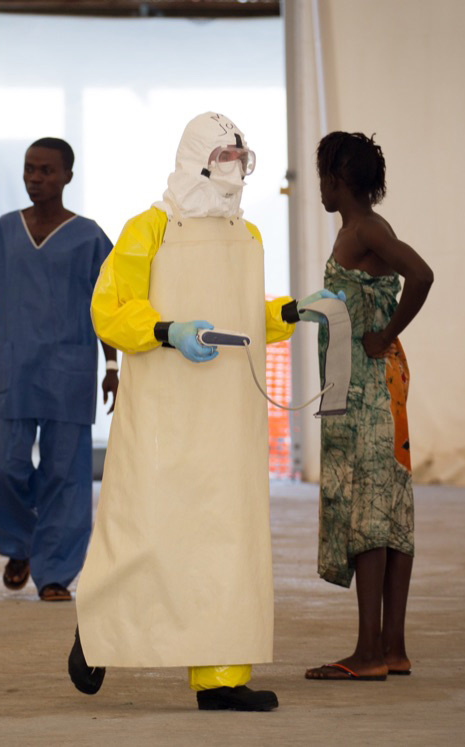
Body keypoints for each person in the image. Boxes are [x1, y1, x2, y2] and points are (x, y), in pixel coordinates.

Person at [69, 112, 331, 712]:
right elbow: (109, 311)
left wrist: (292, 312)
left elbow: (243, 314)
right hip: (162, 411)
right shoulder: (150, 229)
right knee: (145, 530)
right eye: (223, 157)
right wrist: (167, 330)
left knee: (227, 539)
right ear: (196, 159)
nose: (233, 169)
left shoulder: (248, 235)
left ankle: (221, 678)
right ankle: (98, 632)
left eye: (240, 157)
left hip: (229, 414)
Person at [304, 132, 433, 682]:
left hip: (366, 389)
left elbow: (422, 275)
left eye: (322, 177)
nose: (320, 188)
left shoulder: (365, 230)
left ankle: (368, 653)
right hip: (368, 386)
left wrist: (386, 333)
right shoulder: (363, 229)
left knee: (369, 513)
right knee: (390, 509)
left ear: (337, 180)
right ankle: (392, 648)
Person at [0, 137, 117, 602]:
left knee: (65, 475)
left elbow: (106, 308)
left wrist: (112, 364)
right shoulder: (3, 232)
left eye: (47, 170)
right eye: (30, 169)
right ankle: (20, 543)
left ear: (68, 175)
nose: (35, 178)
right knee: (5, 464)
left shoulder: (89, 238)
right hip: (16, 369)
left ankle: (55, 573)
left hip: (70, 371)